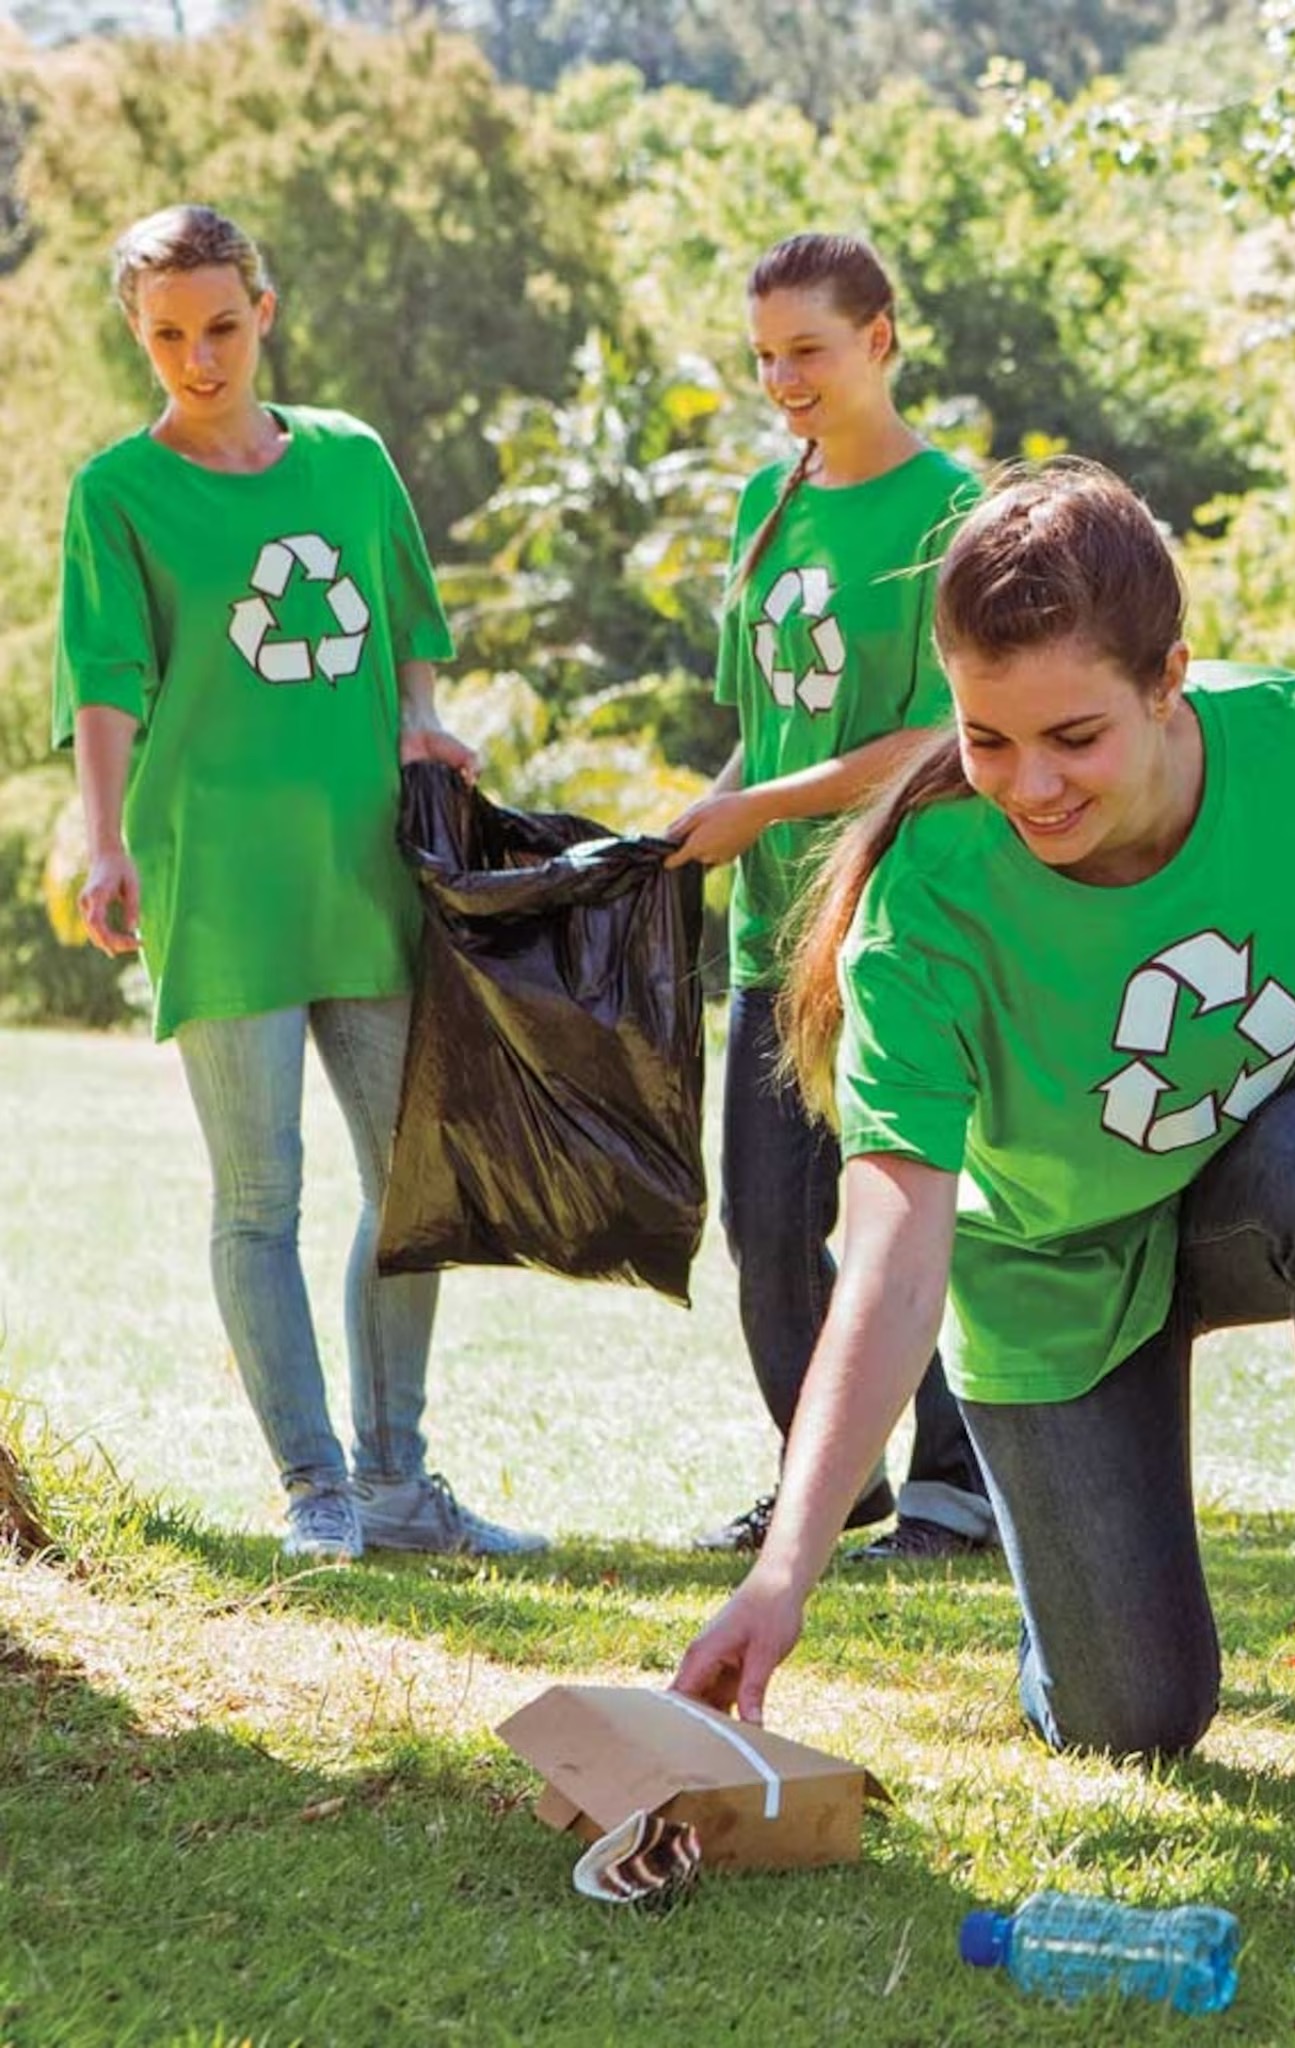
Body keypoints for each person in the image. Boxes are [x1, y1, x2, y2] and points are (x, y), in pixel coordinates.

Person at [673, 459, 1295, 1829]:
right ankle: (1071, 1615)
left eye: (1074, 736)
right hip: (1048, 1271)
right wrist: (787, 1569)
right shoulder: (928, 904)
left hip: (1252, 1185)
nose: (1029, 786)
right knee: (1136, 1718)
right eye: (986, 739)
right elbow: (890, 1254)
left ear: (1168, 676)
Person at [53, 204, 542, 1561]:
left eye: (219, 326)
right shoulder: (118, 494)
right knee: (258, 1195)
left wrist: (418, 718)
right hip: (215, 879)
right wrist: (103, 840)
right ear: (139, 335)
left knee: (411, 1182)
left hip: (366, 870)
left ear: (264, 312)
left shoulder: (351, 460)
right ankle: (314, 1487)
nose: (197, 358)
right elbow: (103, 682)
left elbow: (409, 632)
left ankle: (399, 1481)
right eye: (166, 335)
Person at [664, 233, 994, 1563]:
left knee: (906, 1214)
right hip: (768, 931)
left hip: (898, 926)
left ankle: (955, 1486)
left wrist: (759, 808)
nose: (783, 380)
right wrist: (709, 810)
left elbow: (935, 742)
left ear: (881, 340)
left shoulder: (949, 511)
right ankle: (830, 1474)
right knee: (762, 1231)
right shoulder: (767, 501)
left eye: (808, 350)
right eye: (764, 358)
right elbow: (771, 725)